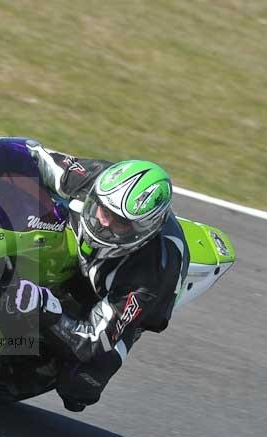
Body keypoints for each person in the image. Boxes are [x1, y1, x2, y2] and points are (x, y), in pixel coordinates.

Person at [20, 140, 190, 411]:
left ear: (142, 230)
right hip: (89, 256)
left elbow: (92, 341)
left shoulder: (147, 276)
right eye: (103, 210)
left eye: (119, 221)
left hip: (122, 296)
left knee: (79, 387)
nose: (104, 223)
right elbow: (34, 156)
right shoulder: (99, 181)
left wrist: (46, 310)